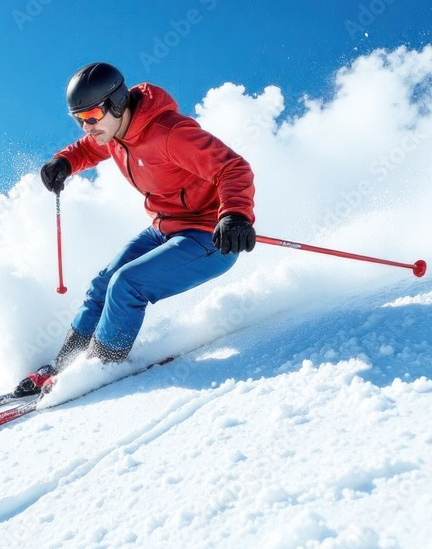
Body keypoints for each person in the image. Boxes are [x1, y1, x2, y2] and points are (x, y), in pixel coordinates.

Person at [14, 62, 257, 397]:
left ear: (116, 103)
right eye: (78, 119)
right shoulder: (112, 132)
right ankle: (64, 365)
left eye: (92, 116)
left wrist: (235, 215)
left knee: (126, 284)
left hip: (209, 235)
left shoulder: (169, 133)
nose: (86, 127)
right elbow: (87, 148)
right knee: (102, 284)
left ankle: (99, 366)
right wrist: (65, 162)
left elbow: (233, 168)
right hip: (166, 227)